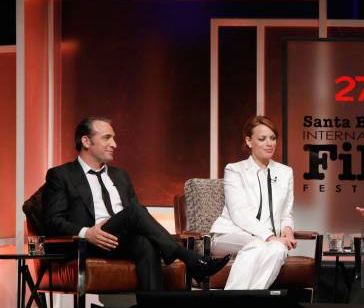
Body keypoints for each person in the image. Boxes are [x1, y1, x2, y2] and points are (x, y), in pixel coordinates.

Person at [42, 116, 229, 291]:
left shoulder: (120, 175)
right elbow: (52, 220)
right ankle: (190, 258)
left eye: (113, 138)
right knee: (135, 212)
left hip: (122, 242)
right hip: (88, 243)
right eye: (107, 138)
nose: (114, 144)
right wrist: (86, 233)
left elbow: (138, 219)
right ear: (86, 141)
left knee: (143, 242)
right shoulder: (61, 175)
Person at [210, 116, 296, 290]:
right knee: (258, 245)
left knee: (279, 249)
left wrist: (288, 231)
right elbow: (238, 213)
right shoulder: (235, 170)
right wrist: (270, 237)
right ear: (249, 141)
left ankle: (250, 303)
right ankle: (229, 302)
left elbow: (286, 213)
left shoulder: (285, 172)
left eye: (272, 138)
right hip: (229, 235)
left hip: (269, 240)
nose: (269, 143)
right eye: (262, 139)